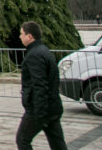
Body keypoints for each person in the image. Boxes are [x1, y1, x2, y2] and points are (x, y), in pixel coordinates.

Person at [16, 21, 67, 150]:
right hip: (52, 106)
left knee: (22, 140)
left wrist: (39, 114)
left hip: (39, 109)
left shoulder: (34, 55)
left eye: (22, 34)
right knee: (57, 143)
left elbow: (39, 84)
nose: (20, 37)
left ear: (30, 36)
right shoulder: (44, 51)